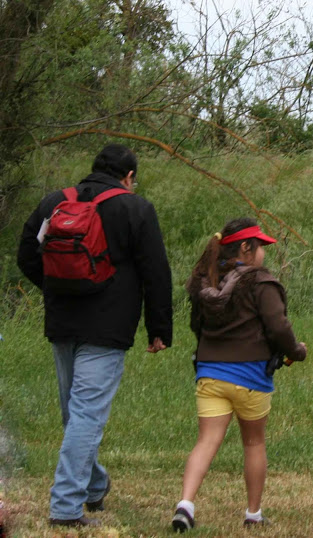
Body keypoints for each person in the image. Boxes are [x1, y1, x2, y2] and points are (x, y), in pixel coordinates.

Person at [17, 144, 173, 528]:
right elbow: (156, 272)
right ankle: (67, 508)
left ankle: (93, 485)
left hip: (63, 322)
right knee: (84, 416)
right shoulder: (136, 209)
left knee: (76, 414)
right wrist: (159, 329)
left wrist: (55, 287)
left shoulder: (56, 202)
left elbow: (26, 254)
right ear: (129, 177)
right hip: (108, 327)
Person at [172, 218, 307, 532]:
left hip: (210, 373)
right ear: (246, 248)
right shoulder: (260, 282)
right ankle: (253, 514)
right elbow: (278, 327)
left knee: (206, 441)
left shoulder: (205, 280)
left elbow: (196, 325)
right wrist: (296, 351)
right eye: (259, 247)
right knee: (254, 443)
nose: (263, 254)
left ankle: (186, 503)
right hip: (251, 377)